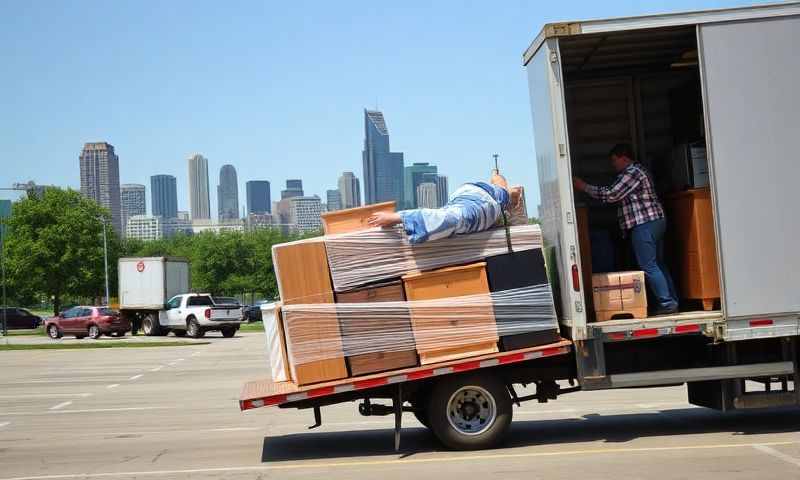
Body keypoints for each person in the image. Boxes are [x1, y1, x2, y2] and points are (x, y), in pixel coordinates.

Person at [572, 143, 679, 316]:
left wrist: (584, 187)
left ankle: (667, 303)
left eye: (614, 160)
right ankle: (671, 302)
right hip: (654, 221)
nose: (613, 165)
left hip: (645, 223)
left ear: (624, 157)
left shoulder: (632, 173)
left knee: (649, 265)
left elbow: (612, 194)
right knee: (658, 264)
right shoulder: (636, 171)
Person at [367, 171, 517, 244]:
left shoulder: (461, 217)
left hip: (480, 196)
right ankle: (506, 188)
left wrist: (396, 217)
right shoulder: (466, 217)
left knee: (501, 184)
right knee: (501, 185)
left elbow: (442, 218)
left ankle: (508, 190)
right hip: (470, 197)